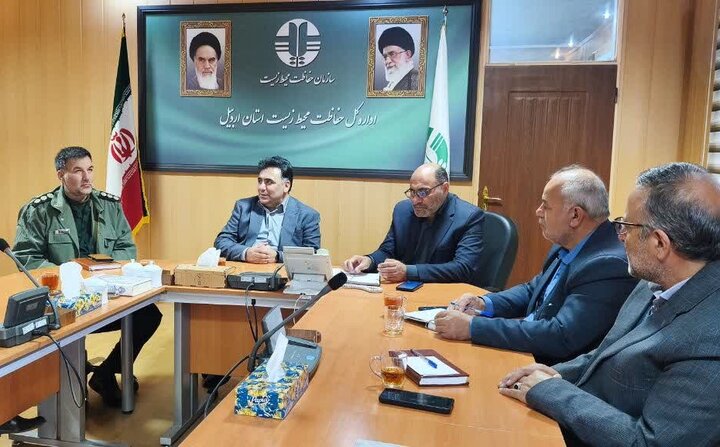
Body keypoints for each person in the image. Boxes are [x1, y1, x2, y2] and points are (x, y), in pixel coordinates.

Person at [498, 162, 720, 447]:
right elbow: (608, 353)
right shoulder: (654, 279)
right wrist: (555, 373)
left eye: (626, 225)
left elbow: (647, 443)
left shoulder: (710, 339)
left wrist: (550, 390)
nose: (620, 235)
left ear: (660, 244)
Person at [434, 166, 638, 365]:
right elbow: (533, 290)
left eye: (546, 206)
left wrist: (473, 327)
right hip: (529, 348)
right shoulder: (567, 244)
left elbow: (560, 336)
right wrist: (484, 303)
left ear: (575, 216)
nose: (538, 211)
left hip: (552, 369)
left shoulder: (607, 264)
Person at [13, 146, 162, 408]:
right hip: (63, 301)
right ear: (61, 174)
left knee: (148, 314)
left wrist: (106, 275)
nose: (87, 177)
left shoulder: (109, 205)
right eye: (77, 171)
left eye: (90, 169)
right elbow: (26, 258)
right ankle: (64, 387)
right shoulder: (39, 210)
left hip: (105, 296)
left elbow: (126, 248)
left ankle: (106, 373)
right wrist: (68, 276)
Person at [343, 163, 484, 286]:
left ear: (445, 189)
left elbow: (463, 268)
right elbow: (388, 251)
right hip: (404, 288)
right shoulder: (403, 210)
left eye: (423, 192)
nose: (415, 201)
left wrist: (408, 271)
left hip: (443, 292)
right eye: (412, 192)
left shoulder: (469, 217)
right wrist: (370, 261)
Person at [214, 156, 321, 263]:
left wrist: (278, 256)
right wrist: (246, 253)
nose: (261, 187)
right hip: (246, 267)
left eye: (269, 182)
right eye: (260, 181)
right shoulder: (243, 207)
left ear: (286, 186)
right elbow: (221, 242)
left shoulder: (307, 215)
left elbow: (312, 253)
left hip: (282, 270)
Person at [377, 26, 419, 91]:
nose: (387, 61)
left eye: (392, 54)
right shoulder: (392, 84)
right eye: (385, 57)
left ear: (408, 55)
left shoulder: (417, 82)